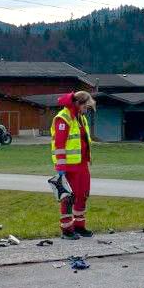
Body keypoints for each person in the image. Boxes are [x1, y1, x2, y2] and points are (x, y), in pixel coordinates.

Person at [51, 91, 96, 239]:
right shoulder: (63, 118)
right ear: (77, 103)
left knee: (83, 195)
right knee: (69, 197)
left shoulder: (80, 118)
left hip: (82, 163)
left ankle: (79, 226)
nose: (86, 110)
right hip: (69, 166)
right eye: (85, 107)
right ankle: (67, 229)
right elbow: (59, 145)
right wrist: (61, 168)